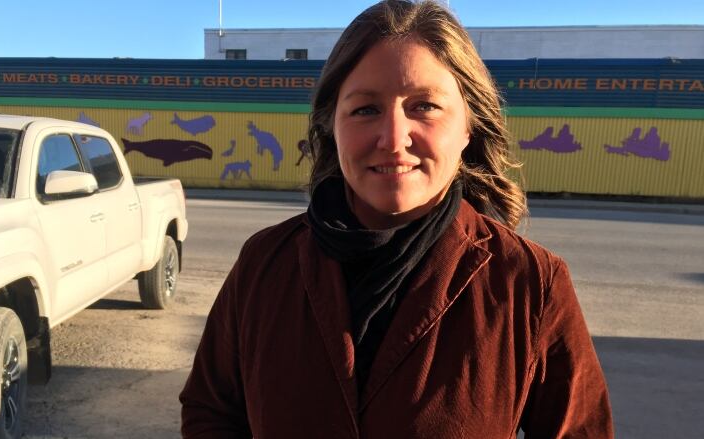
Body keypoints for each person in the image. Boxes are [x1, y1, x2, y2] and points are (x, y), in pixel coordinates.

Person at [180, 1, 613, 437]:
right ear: (332, 124)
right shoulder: (264, 264)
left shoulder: (531, 283)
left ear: (469, 125)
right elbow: (211, 412)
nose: (392, 138)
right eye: (365, 109)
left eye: (424, 106)